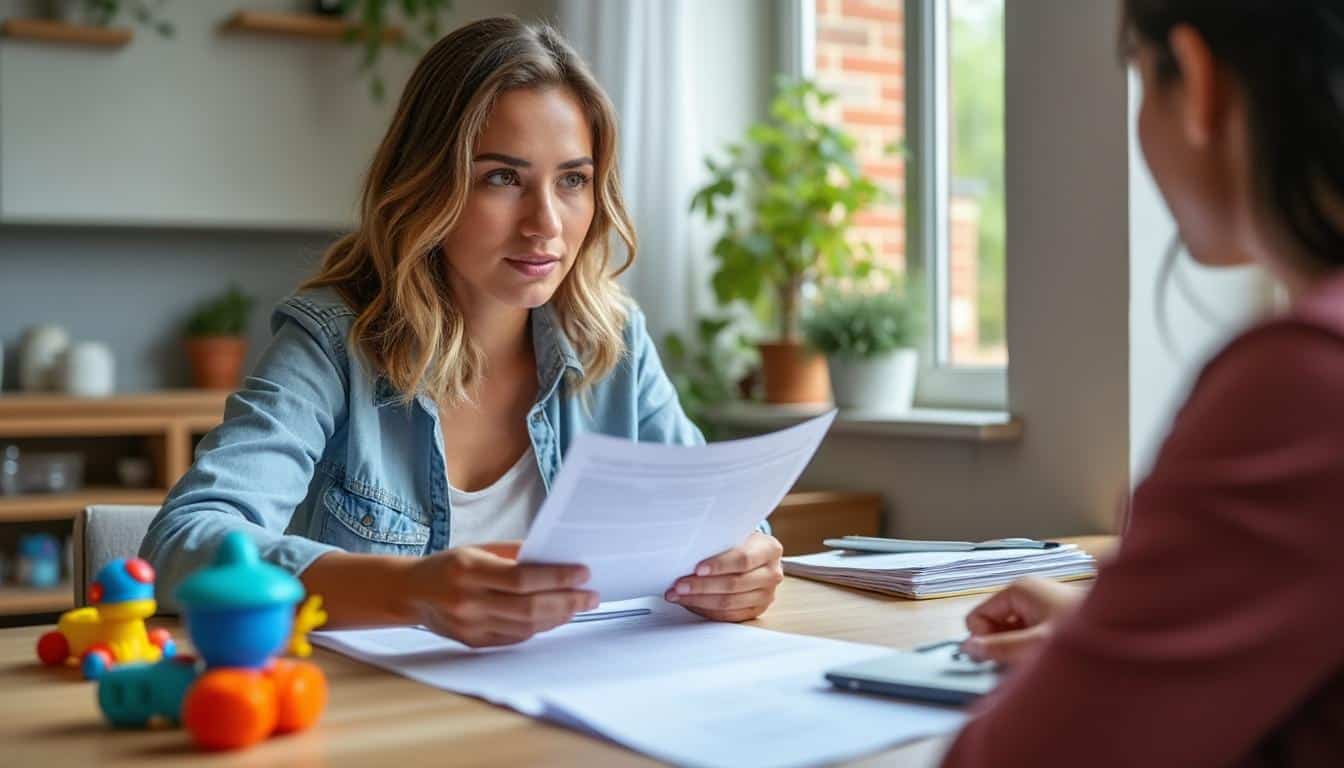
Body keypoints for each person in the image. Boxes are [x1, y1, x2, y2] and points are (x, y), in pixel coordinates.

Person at [140, 17, 784, 649]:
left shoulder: (611, 340)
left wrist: (746, 564)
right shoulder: (332, 342)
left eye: (573, 180)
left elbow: (723, 519)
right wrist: (408, 591)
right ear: (427, 184)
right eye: (502, 177)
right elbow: (183, 542)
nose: (546, 225)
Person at [943, 2, 1344, 765]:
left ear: (1195, 81)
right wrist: (1115, 630)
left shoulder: (1305, 376)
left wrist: (1085, 669)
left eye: (1138, 80)